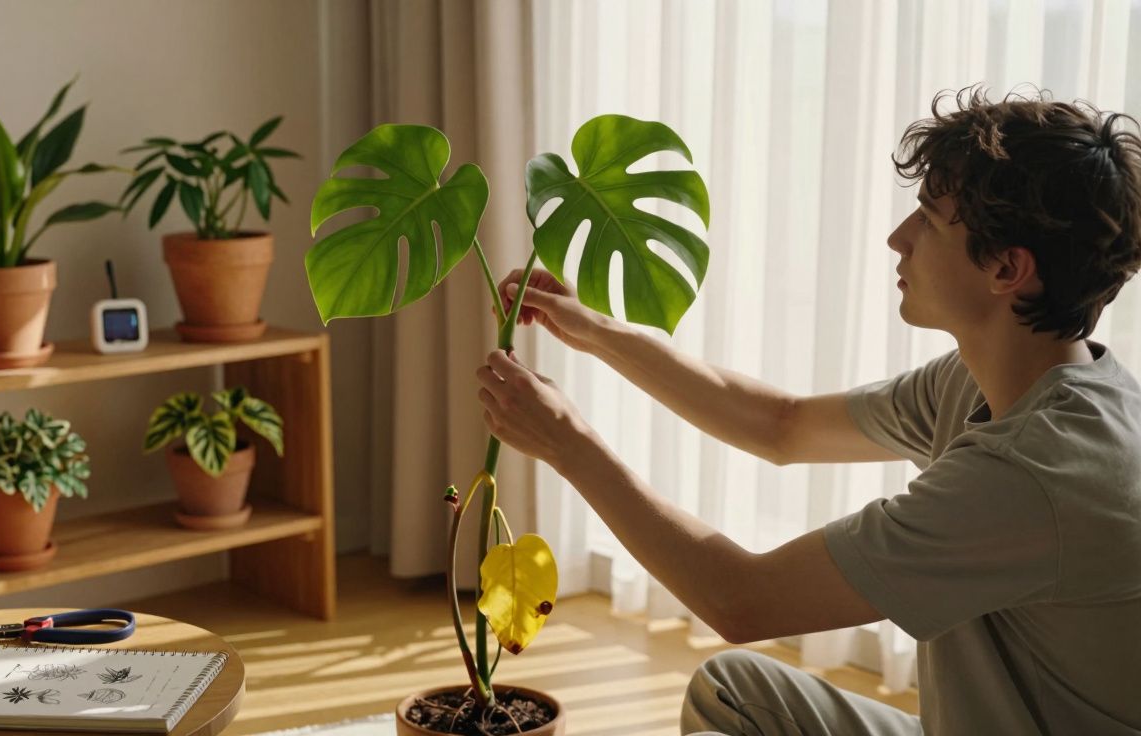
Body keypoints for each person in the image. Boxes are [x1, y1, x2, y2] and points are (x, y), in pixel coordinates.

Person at [476, 86, 1141, 735]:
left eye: (931, 220)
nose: (897, 238)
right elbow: (783, 425)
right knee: (733, 693)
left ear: (1006, 268)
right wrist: (594, 331)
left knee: (734, 672)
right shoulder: (1000, 380)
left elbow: (742, 600)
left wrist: (567, 442)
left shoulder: (1032, 474)